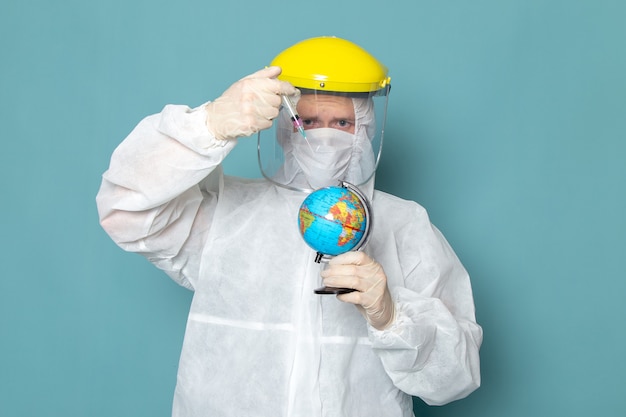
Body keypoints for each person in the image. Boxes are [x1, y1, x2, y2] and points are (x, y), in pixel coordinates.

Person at [96, 36, 482, 417]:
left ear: (364, 128)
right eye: (308, 121)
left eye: (342, 122)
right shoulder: (226, 213)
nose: (324, 135)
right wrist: (209, 124)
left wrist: (392, 316)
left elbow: (455, 377)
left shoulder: (404, 225)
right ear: (284, 125)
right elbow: (126, 209)